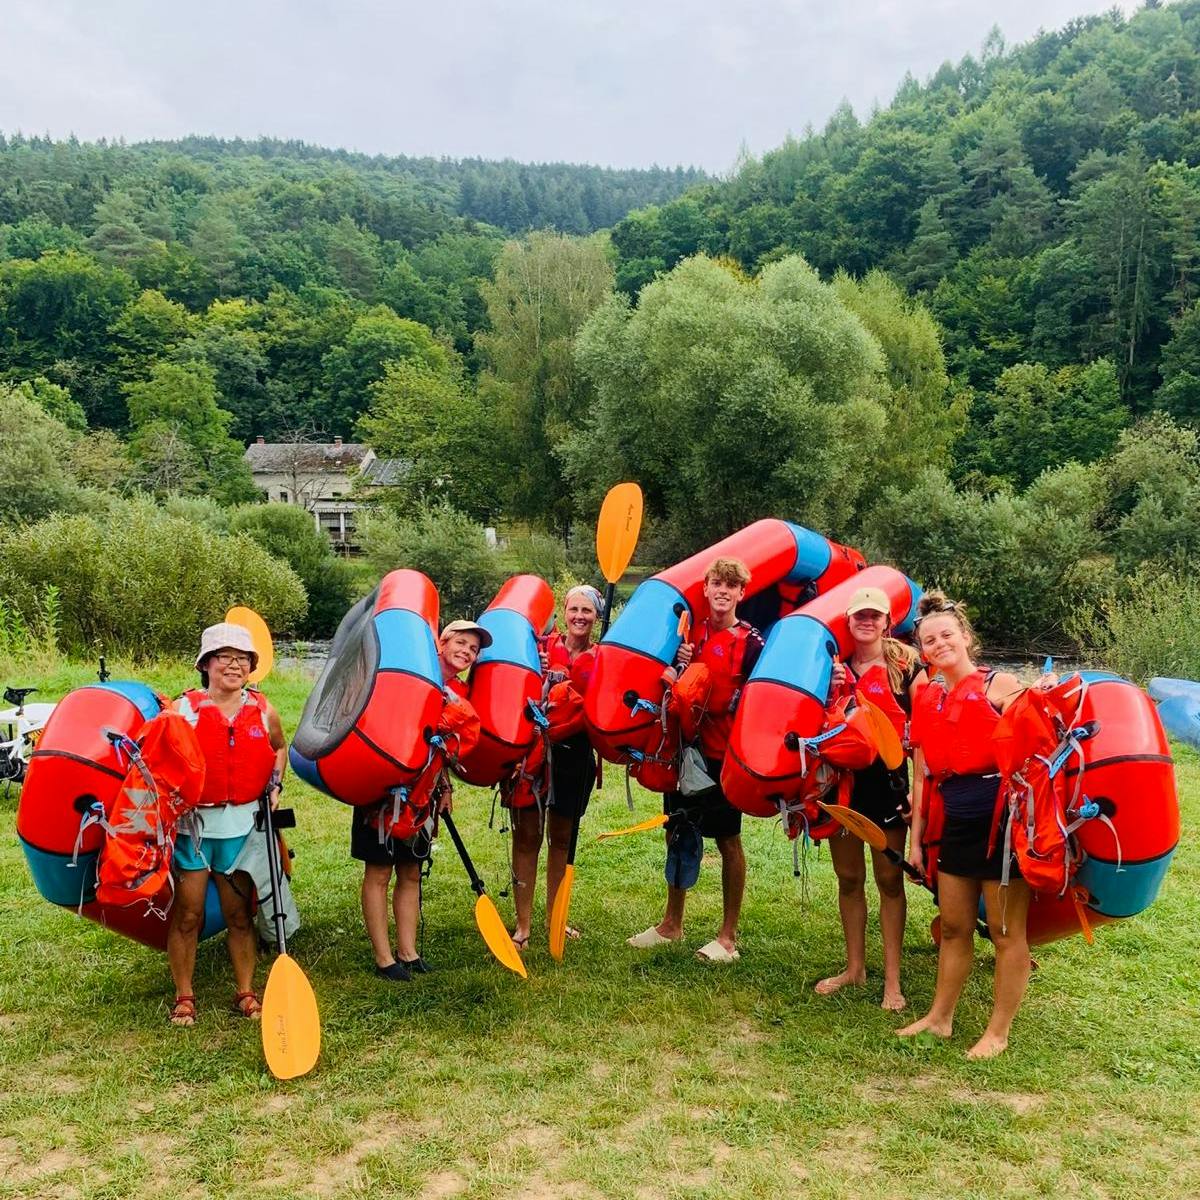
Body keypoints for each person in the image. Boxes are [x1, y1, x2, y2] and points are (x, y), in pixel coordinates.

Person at [897, 591, 1029, 1058]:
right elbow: (922, 771)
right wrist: (916, 842)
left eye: (946, 635)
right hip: (954, 818)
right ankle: (940, 1018)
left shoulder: (1002, 686)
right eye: (928, 641)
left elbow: (1036, 756)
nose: (938, 645)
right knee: (953, 926)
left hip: (1002, 821)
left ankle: (998, 1032)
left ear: (965, 637)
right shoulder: (926, 695)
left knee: (1005, 932)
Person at [627, 558, 764, 962]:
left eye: (731, 585)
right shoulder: (689, 634)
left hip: (723, 758)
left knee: (727, 840)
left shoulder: (751, 641)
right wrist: (679, 661)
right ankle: (672, 923)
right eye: (716, 583)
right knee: (677, 831)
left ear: (741, 593)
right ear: (705, 589)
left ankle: (727, 937)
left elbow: (758, 699)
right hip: (684, 751)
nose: (723, 591)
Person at [352, 619, 490, 981]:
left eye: (473, 649)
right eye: (460, 643)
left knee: (411, 872)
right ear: (441, 642)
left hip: (422, 796)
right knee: (379, 871)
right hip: (382, 789)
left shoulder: (458, 692)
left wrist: (445, 787)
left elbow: (442, 748)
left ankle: (408, 952)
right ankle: (384, 959)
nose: (466, 652)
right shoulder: (409, 671)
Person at [167, 622, 287, 1026]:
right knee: (188, 916)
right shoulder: (183, 710)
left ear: (251, 667)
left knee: (240, 916)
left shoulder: (263, 708)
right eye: (225, 658)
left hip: (241, 830)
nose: (234, 666)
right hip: (194, 830)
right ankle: (184, 996)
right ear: (207, 665)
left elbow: (279, 748)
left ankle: (246, 992)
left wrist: (275, 783)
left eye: (242, 659)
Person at [817, 587, 923, 1011]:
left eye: (874, 615)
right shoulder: (833, 665)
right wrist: (830, 689)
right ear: (849, 619)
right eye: (860, 614)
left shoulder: (906, 665)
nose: (867, 621)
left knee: (888, 880)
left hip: (889, 786)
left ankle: (893, 981)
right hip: (843, 784)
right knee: (848, 878)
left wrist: (918, 784)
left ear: (886, 621)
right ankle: (855, 968)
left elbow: (924, 734)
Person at [509, 585, 602, 951]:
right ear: (564, 611)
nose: (580, 616)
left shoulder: (603, 656)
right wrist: (538, 667)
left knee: (561, 839)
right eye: (574, 608)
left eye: (588, 611)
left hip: (574, 753)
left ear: (596, 617)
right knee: (527, 836)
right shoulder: (542, 646)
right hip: (533, 748)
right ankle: (523, 925)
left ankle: (555, 921)